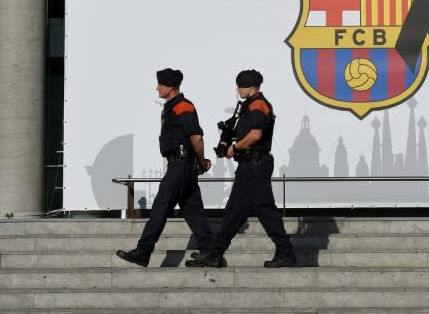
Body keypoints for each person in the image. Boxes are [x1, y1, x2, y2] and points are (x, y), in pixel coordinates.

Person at [186, 69, 296, 268]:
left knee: (265, 210)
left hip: (256, 164)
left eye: (241, 86)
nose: (238, 89)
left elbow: (256, 135)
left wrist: (234, 147)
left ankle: (286, 252)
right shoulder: (249, 105)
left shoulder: (258, 105)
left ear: (252, 87)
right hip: (249, 165)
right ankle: (215, 254)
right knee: (234, 212)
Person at [116, 68, 214, 267]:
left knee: (161, 206)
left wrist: (202, 161)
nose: (157, 87)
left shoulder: (182, 107)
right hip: (182, 165)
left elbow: (196, 136)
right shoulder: (173, 106)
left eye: (160, 84)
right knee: (193, 211)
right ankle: (211, 253)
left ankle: (143, 251)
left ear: (171, 87)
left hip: (181, 165)